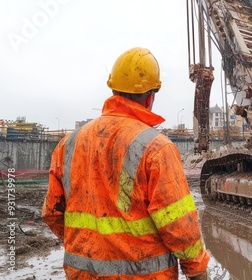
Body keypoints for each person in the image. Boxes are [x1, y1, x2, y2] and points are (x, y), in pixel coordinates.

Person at [42, 47, 210, 279]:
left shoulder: (67, 145)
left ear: (113, 90)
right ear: (150, 97)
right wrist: (197, 271)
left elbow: (52, 213)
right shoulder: (156, 148)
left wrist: (85, 243)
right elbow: (180, 228)